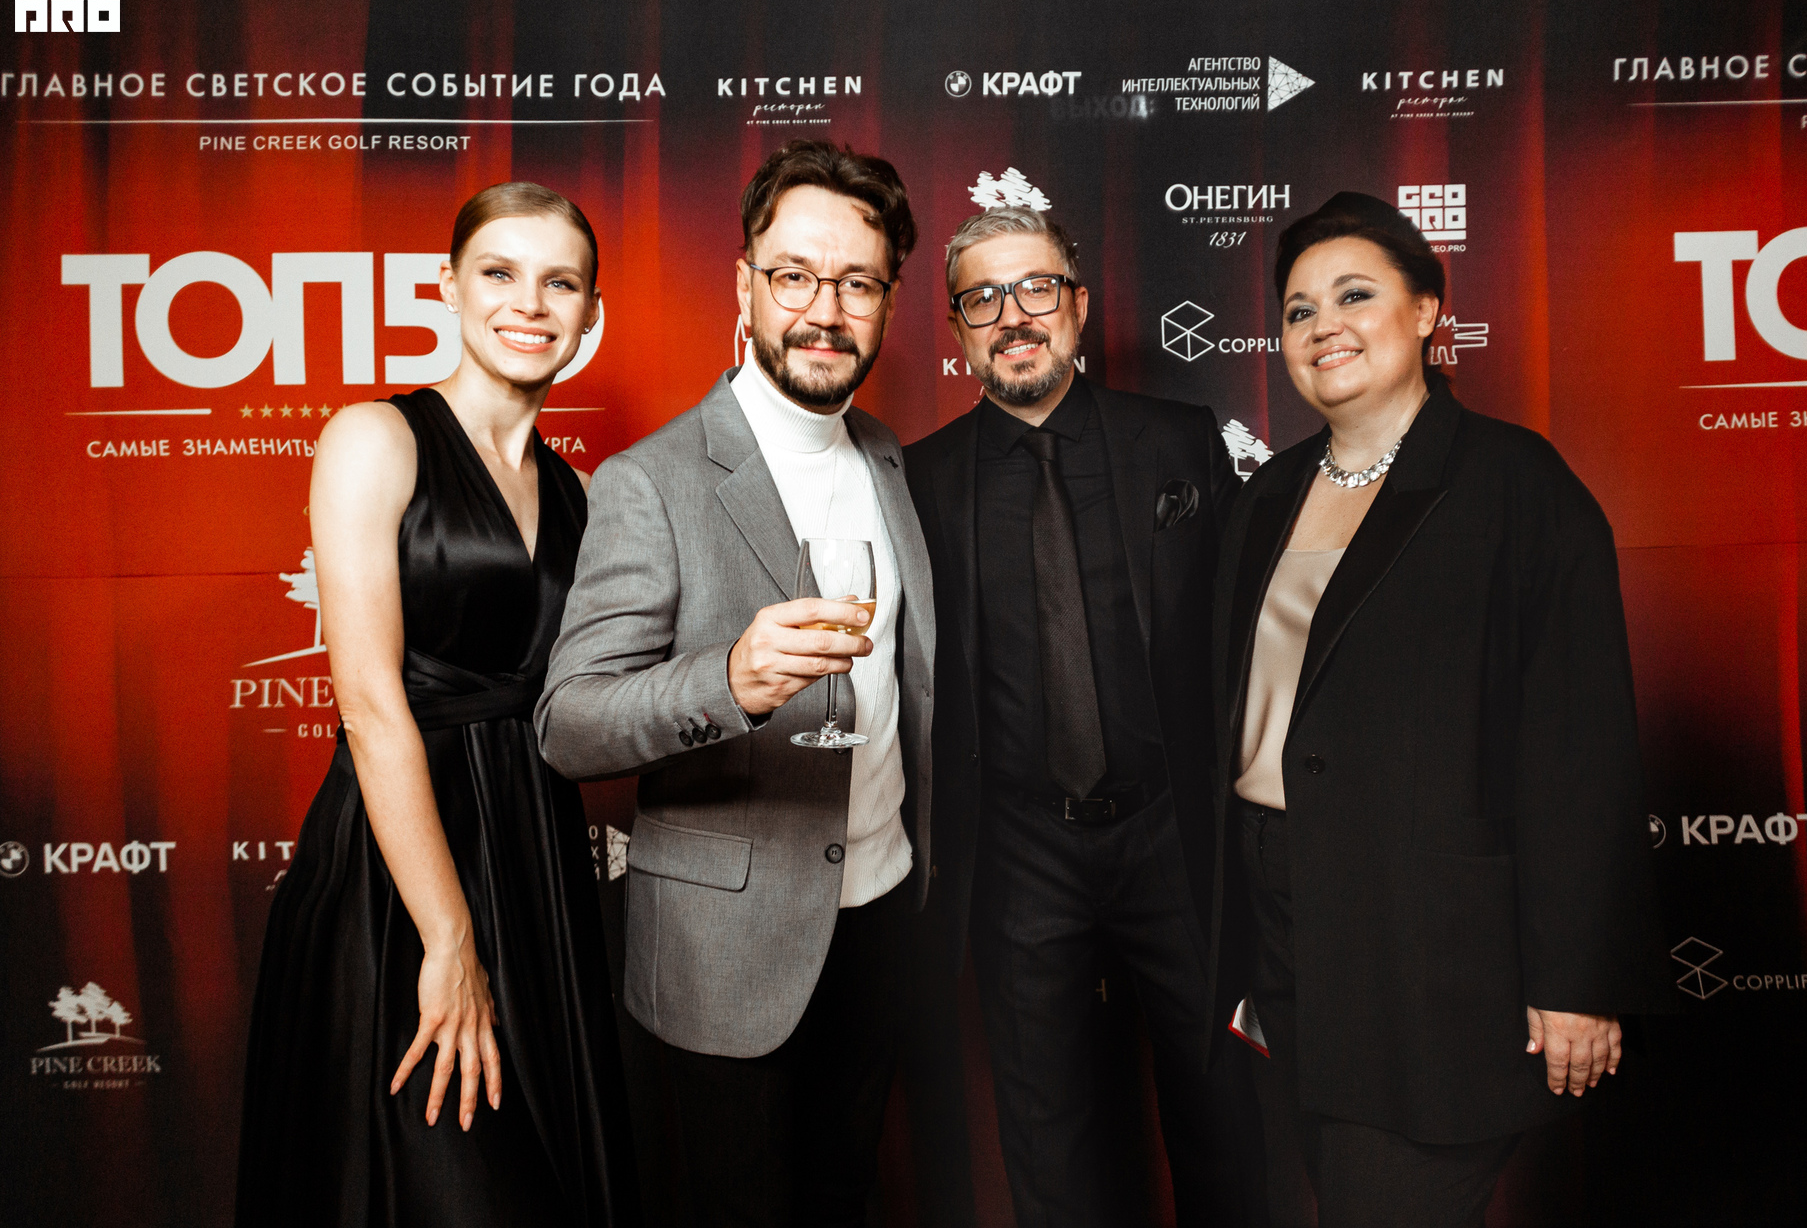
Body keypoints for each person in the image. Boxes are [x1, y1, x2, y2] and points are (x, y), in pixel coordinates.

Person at [1210, 191, 1670, 1227]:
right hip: (1284, 927)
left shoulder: (1516, 484)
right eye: (1298, 310)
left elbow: (1580, 751)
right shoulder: (1267, 495)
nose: (1323, 325)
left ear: (1425, 311)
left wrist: (1579, 978)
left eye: (1355, 296)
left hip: (1433, 946)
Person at [536, 139, 934, 1227]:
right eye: (795, 275)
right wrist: (729, 680)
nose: (824, 310)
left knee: (846, 1198)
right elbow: (569, 724)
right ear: (746, 285)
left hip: (881, 913)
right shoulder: (651, 481)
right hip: (727, 948)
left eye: (857, 283)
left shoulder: (889, 457)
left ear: (888, 301)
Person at [235, 182, 633, 1226]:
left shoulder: (578, 492)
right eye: (499, 273)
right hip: (400, 874)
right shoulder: (376, 437)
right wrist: (449, 940)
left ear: (590, 312)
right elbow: (371, 705)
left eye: (560, 283)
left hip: (537, 862)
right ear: (447, 287)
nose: (529, 304)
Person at [903, 204, 1258, 1226]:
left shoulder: (1179, 442)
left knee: (1222, 1123)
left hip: (1174, 837)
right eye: (982, 298)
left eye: (1036, 288)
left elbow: (1246, 638)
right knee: (1050, 1145)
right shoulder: (919, 481)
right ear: (958, 328)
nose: (1012, 315)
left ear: (1080, 305)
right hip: (1019, 853)